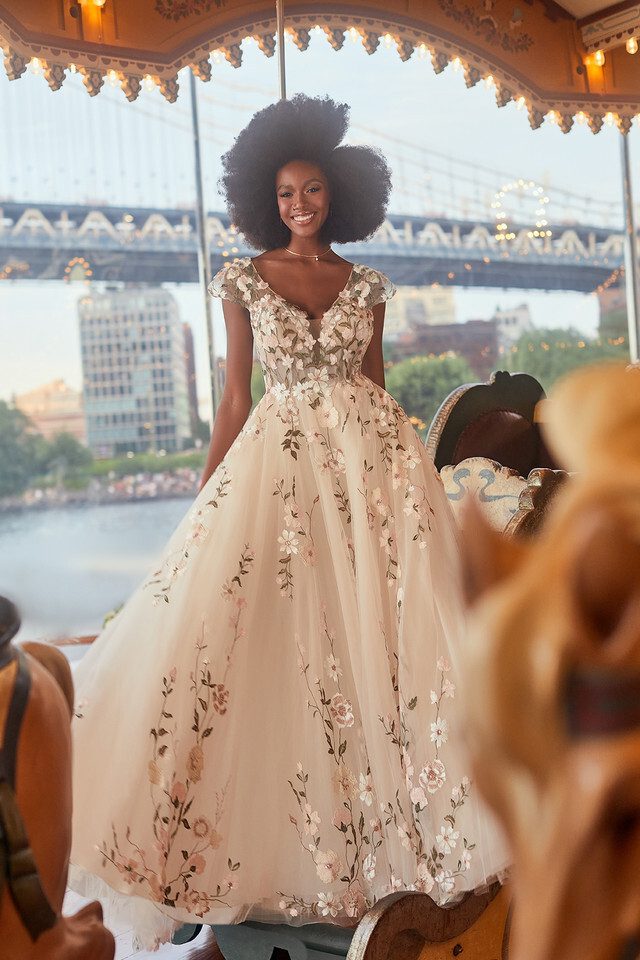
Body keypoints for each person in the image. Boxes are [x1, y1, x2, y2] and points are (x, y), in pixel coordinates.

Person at [68, 95, 507, 950]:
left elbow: (375, 386)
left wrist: (403, 483)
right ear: (266, 201)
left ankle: (390, 856)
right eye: (284, 193)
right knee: (275, 637)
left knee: (380, 647)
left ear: (336, 195)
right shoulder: (242, 278)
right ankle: (283, 863)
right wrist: (207, 493)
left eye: (311, 190)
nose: (298, 204)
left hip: (373, 470)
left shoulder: (367, 285)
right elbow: (237, 397)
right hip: (282, 465)